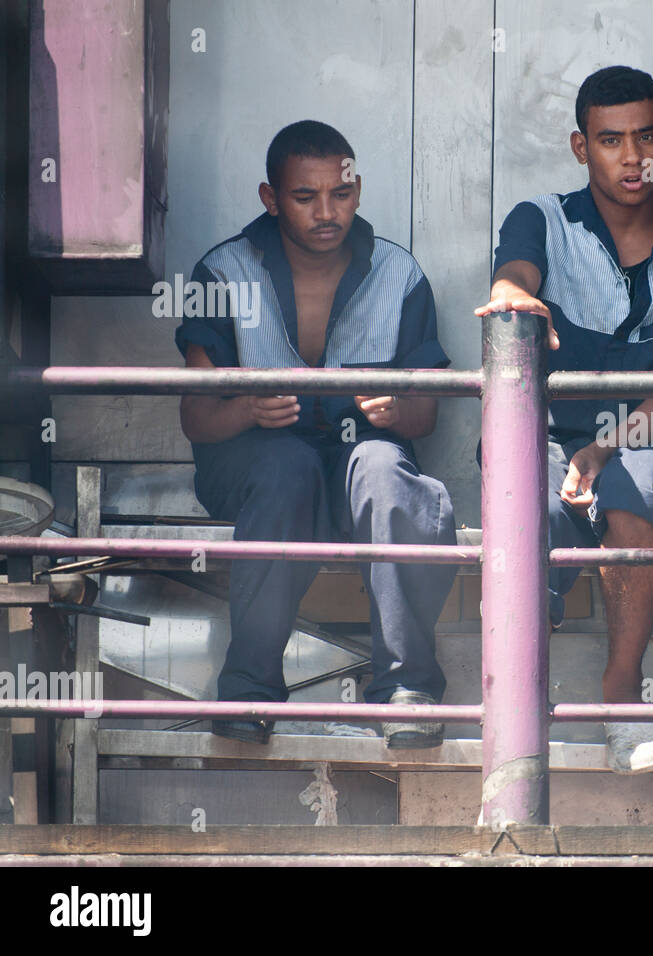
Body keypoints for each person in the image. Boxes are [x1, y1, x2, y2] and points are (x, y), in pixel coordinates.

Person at [476, 66, 653, 773]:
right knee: (525, 505)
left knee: (638, 490)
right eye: (610, 140)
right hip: (542, 441)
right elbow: (515, 275)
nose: (633, 158)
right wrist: (512, 296)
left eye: (644, 137)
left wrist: (604, 448)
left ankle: (623, 696)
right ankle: (515, 709)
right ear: (580, 146)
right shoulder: (541, 219)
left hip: (648, 447)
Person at [174, 120, 456, 749]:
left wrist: (395, 411)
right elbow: (196, 416)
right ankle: (248, 691)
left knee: (386, 470)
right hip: (255, 474)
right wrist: (246, 411)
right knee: (285, 470)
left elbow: (427, 416)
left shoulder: (399, 274)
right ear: (270, 198)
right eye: (305, 197)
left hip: (359, 469)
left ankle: (407, 691)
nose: (327, 213)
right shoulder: (223, 273)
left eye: (343, 194)